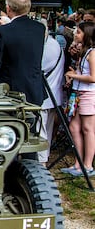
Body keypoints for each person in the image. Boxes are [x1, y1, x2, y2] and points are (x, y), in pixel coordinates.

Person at [0, 0, 46, 106]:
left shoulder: (2, 32)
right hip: (34, 89)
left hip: (11, 92)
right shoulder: (39, 28)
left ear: (8, 8)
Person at [61, 22, 95, 176]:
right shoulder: (84, 52)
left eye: (79, 32)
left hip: (88, 95)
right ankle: (78, 162)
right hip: (78, 93)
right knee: (74, 128)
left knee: (88, 129)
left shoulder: (93, 53)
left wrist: (74, 75)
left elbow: (93, 77)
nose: (76, 34)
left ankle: (87, 165)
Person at [38, 23, 65, 165]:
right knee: (46, 130)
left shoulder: (46, 48)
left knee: (41, 130)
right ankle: (44, 157)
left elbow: (38, 68)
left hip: (45, 95)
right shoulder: (54, 44)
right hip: (53, 94)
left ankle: (41, 161)